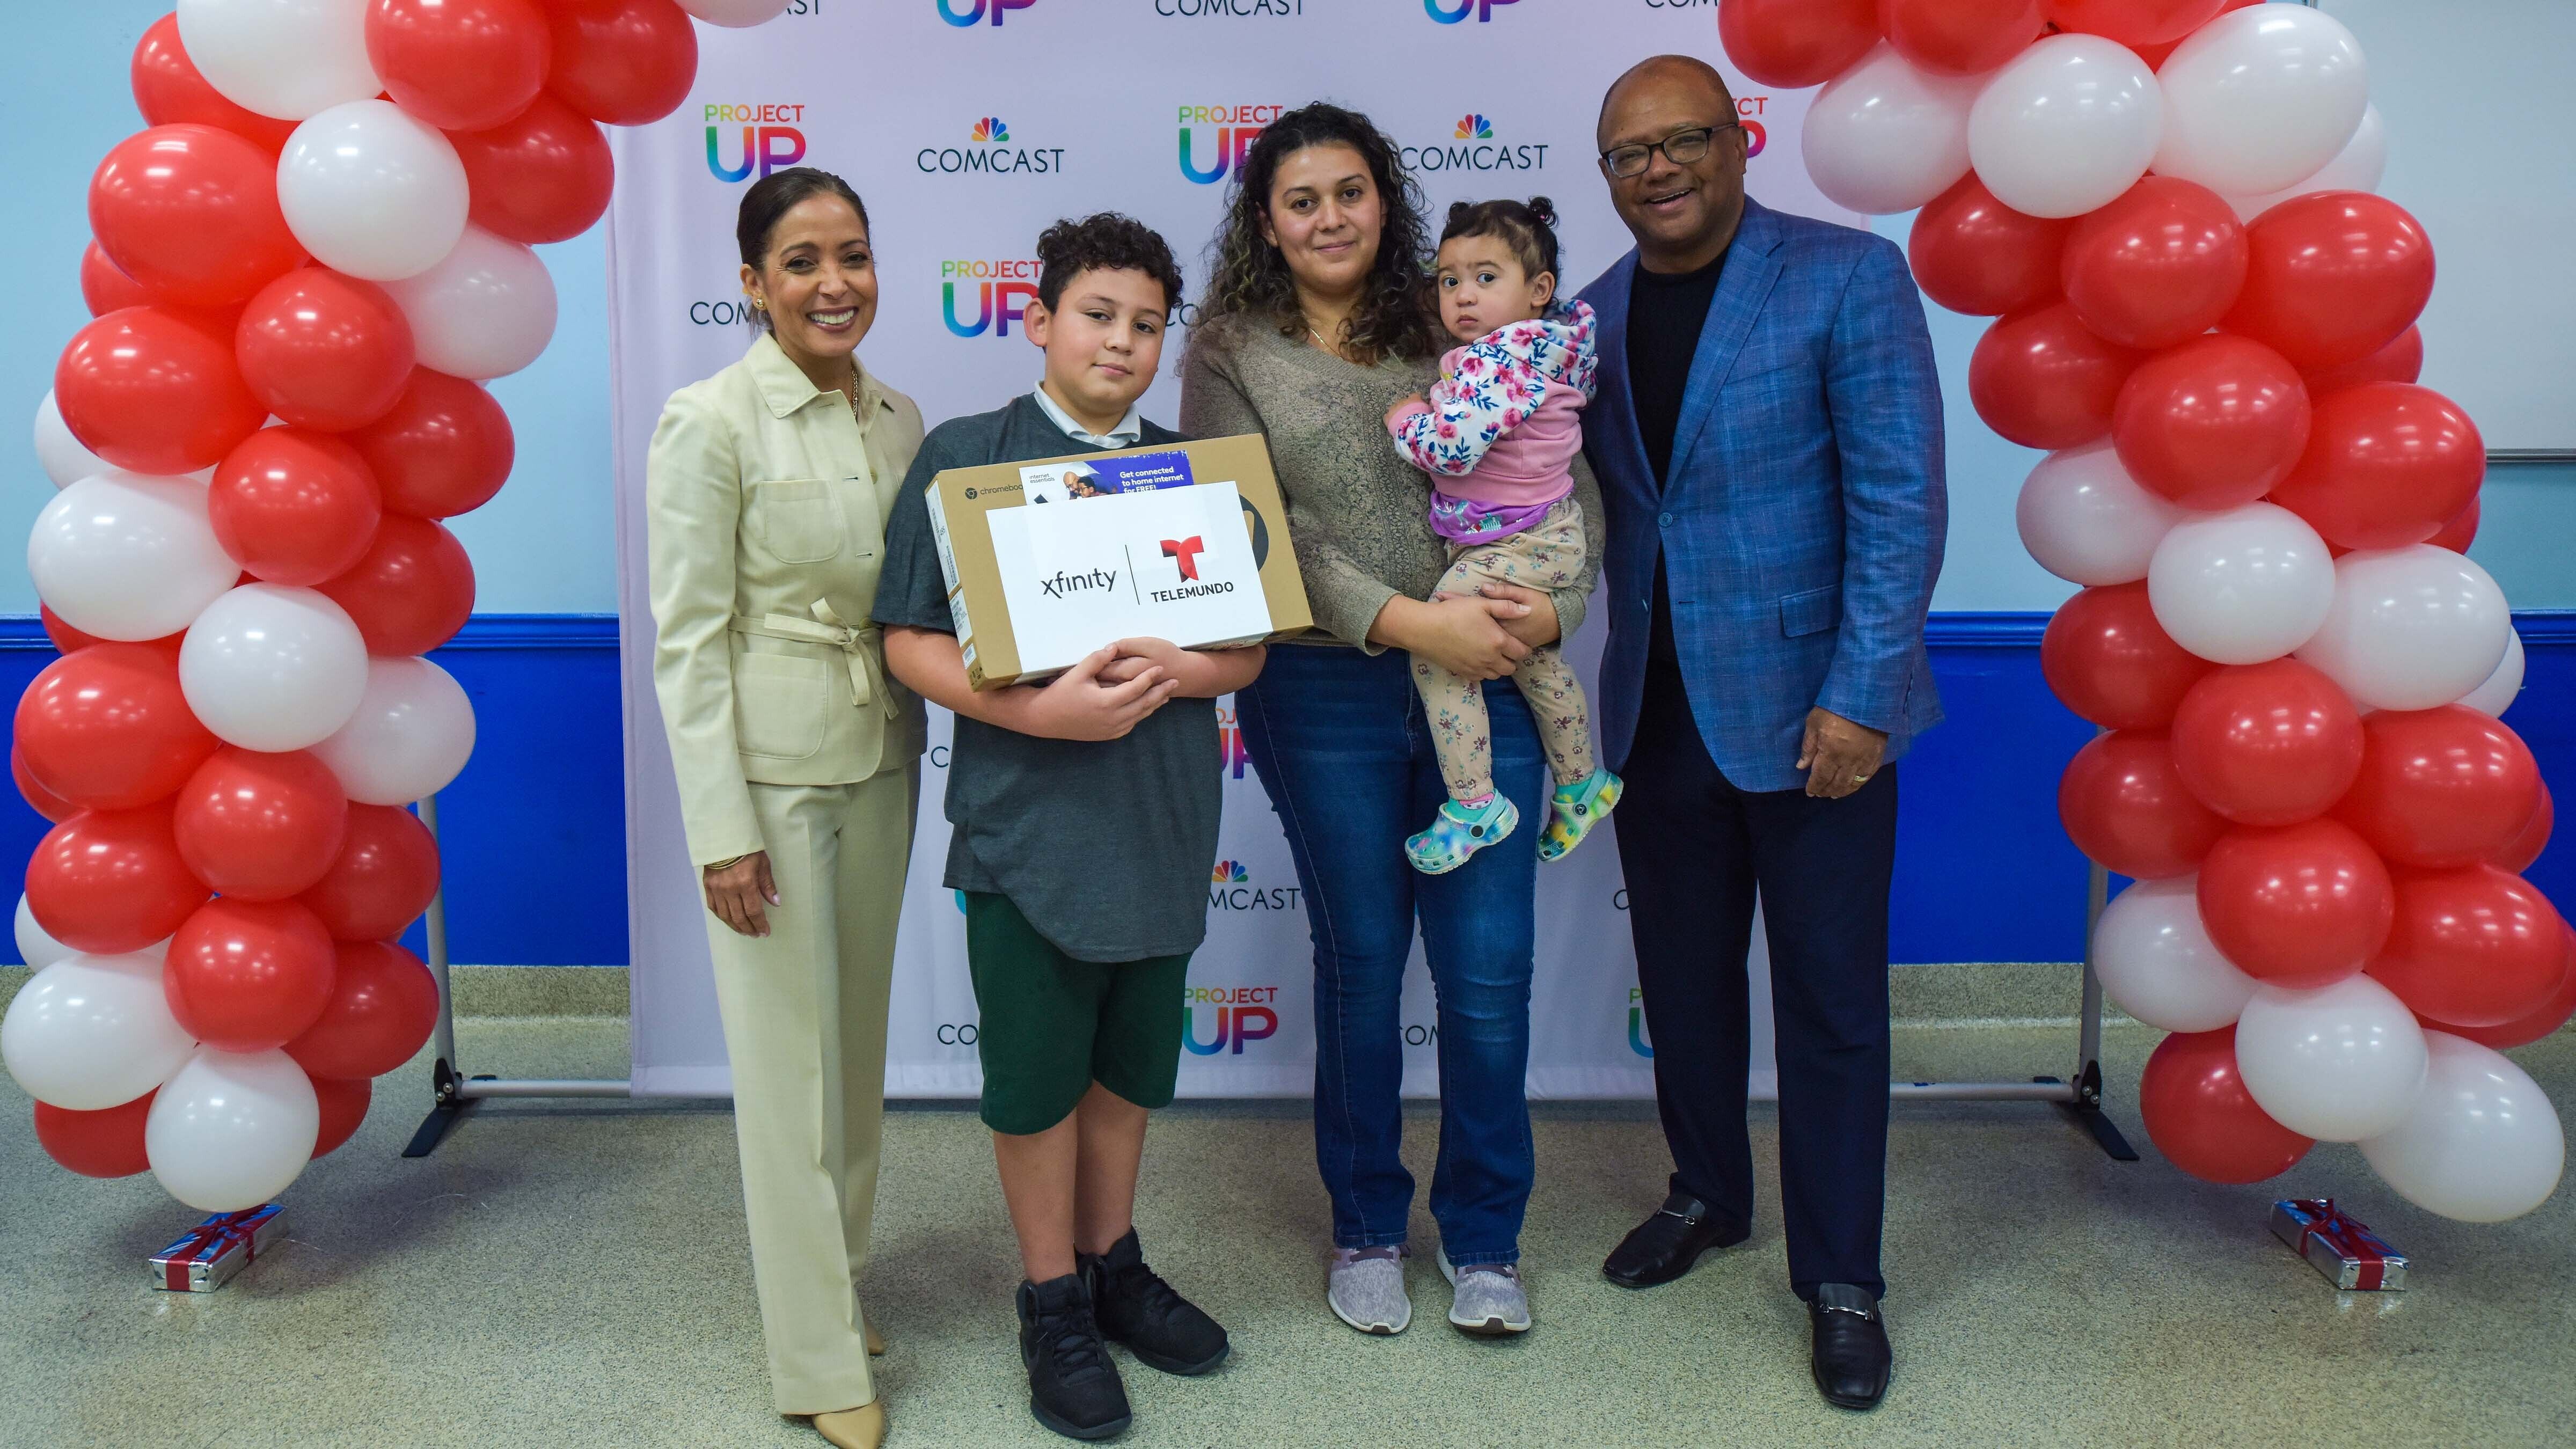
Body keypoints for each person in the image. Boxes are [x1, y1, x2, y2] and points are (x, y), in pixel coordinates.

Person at [1182, 103, 1606, 1340]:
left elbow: (1562, 475)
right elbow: (1247, 527)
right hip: (1322, 692)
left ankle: (1484, 1238)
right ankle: (1366, 1221)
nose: (1329, 217)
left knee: (1485, 976)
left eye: (1350, 191)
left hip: (1494, 677)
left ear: (1385, 200)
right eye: (1301, 198)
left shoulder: (1460, 313)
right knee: (1363, 966)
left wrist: (1551, 608)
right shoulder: (1229, 349)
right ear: (1265, 219)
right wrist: (1414, 625)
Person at [1576, 57, 1946, 1411]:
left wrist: (1859, 693)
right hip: (1653, 714)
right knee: (1681, 984)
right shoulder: (1588, 317)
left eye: (1680, 141)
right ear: (1605, 173)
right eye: (1627, 152)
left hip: (1814, 718)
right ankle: (1705, 1193)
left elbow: (1899, 499)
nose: (1656, 168)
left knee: (1832, 1007)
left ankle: (1840, 1276)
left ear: (1738, 141)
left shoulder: (1845, 277)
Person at [875, 213, 1262, 1443]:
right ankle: (1048, 1295)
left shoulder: (1191, 476)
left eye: (1146, 324)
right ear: (1036, 319)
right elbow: (907, 637)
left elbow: (1245, 646)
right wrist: (1040, 711)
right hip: (1024, 825)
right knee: (1036, 1077)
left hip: (1157, 818)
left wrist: (1184, 667)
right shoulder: (966, 457)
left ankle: (1112, 1261)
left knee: (1129, 1068)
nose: (1122, 341)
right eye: (1097, 314)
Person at [643, 167, 927, 1449]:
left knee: (851, 1049)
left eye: (853, 256)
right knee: (781, 1066)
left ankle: (842, 1281)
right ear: (752, 284)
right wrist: (720, 827)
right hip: (766, 771)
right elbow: (687, 642)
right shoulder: (707, 420)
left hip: (881, 750)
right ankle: (814, 1359)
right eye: (801, 261)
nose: (834, 283)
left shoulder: (901, 416)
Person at [1385, 197, 1619, 874]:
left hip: (1521, 543)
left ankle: (1474, 804)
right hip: (1532, 535)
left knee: (1438, 645)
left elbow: (1453, 449)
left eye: (1487, 278)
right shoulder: (1533, 352)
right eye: (1449, 279)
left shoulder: (1504, 360)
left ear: (1539, 291)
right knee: (1530, 656)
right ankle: (1581, 786)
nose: (1462, 295)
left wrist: (1408, 418)